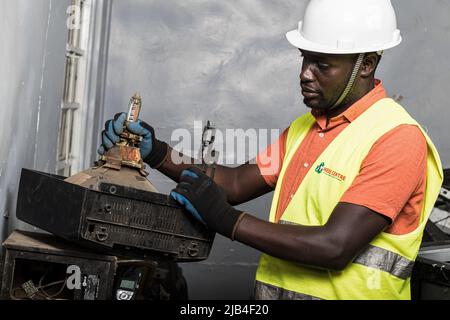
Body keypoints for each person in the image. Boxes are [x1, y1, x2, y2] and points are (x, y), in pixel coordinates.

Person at [99, 0, 443, 300]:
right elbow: (232, 184)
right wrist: (157, 152)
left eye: (322, 64)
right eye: (304, 58)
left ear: (366, 64)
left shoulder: (395, 138)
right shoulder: (305, 129)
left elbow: (334, 246)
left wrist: (225, 219)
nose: (304, 74)